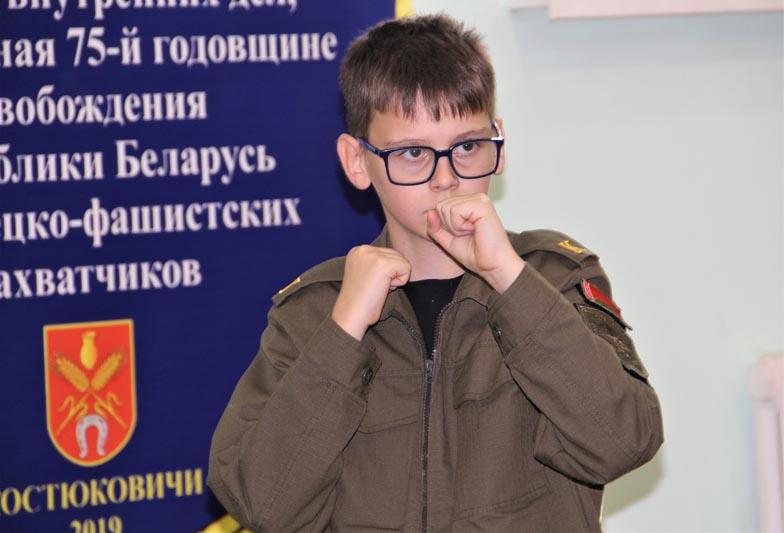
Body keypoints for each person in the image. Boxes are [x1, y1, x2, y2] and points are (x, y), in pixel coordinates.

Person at [207, 14, 663, 532]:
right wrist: (343, 333)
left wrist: (509, 279)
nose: (445, 178)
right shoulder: (314, 311)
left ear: (499, 145)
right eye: (412, 153)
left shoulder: (552, 278)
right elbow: (263, 504)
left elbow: (624, 441)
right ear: (357, 161)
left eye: (467, 146)